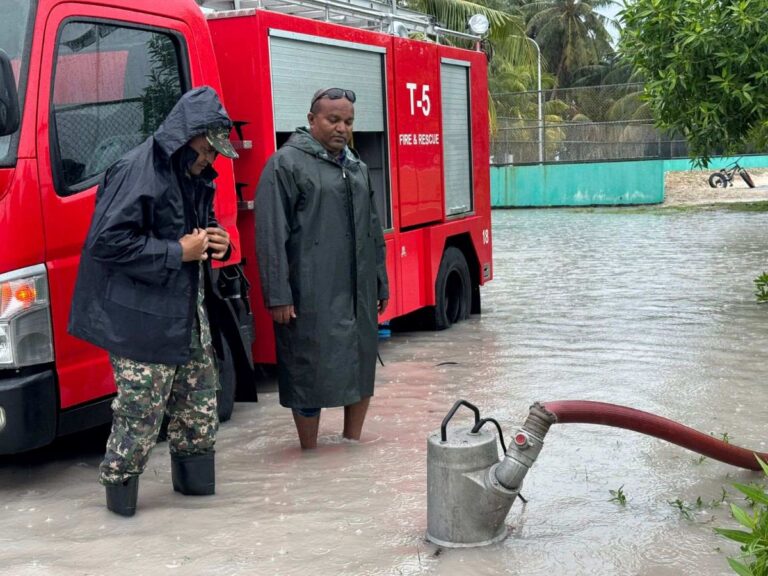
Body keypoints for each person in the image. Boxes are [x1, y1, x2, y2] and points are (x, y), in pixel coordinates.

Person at [68, 86, 239, 516]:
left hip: (188, 317)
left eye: (215, 154)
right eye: (204, 150)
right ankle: (120, 504)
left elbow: (199, 228)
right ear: (185, 135)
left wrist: (220, 242)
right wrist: (175, 252)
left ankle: (197, 502)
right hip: (140, 322)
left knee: (201, 411)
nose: (209, 160)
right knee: (139, 417)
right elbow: (105, 243)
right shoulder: (137, 170)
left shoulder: (197, 174)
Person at [255, 87, 389, 449]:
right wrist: (278, 294)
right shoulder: (286, 164)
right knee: (306, 367)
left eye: (348, 121)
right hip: (309, 290)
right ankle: (308, 452)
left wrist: (380, 280)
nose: (341, 128)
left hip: (357, 288)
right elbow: (270, 234)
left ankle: (352, 445)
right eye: (333, 120)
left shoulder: (356, 167)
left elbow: (372, 228)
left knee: (361, 364)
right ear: (312, 120)